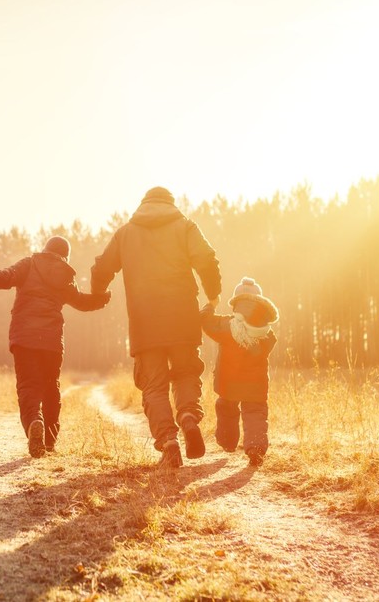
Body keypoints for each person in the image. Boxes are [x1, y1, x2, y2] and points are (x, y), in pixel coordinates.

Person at [90, 187, 222, 467]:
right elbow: (207, 259)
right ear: (171, 204)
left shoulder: (126, 233)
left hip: (145, 321)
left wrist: (99, 293)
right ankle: (187, 416)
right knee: (186, 372)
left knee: (154, 385)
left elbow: (102, 267)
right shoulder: (185, 226)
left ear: (143, 205)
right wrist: (213, 294)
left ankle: (169, 441)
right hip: (182, 316)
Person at [0, 236, 111, 458]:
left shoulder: (29, 264)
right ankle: (49, 440)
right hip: (51, 341)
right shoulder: (66, 276)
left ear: (45, 249)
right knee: (50, 387)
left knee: (28, 386)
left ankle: (33, 422)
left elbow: (4, 278)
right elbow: (82, 302)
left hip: (24, 338)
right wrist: (102, 299)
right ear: (65, 256)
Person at [200, 277, 279, 466]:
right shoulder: (266, 333)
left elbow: (206, 322)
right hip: (255, 385)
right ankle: (256, 448)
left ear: (236, 304)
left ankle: (227, 442)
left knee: (226, 408)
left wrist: (210, 306)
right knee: (255, 413)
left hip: (229, 382)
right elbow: (266, 347)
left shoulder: (227, 325)